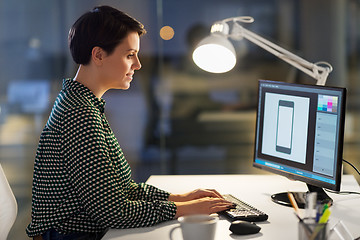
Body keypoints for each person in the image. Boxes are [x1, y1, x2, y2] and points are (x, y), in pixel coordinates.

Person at [26, 5, 233, 240]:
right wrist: (183, 210)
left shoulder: (82, 103)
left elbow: (119, 192)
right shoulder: (79, 114)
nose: (138, 65)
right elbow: (114, 212)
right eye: (129, 55)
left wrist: (181, 198)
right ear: (99, 55)